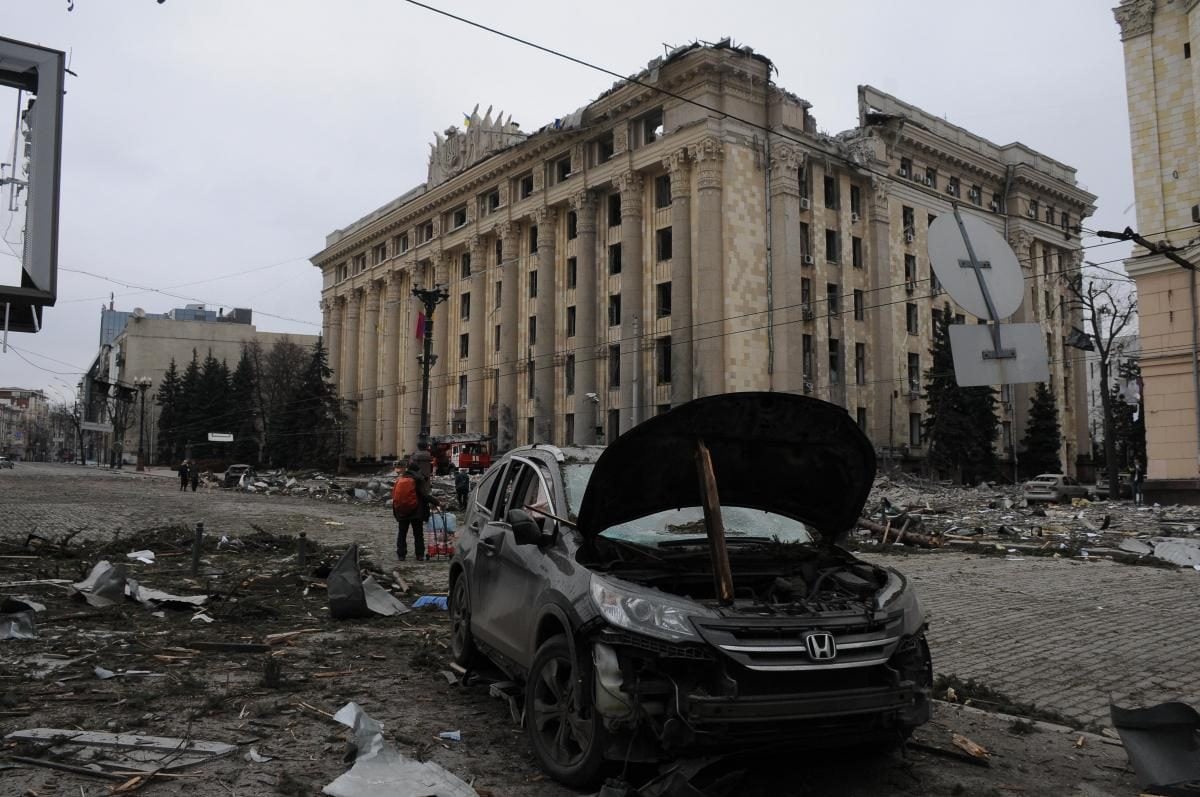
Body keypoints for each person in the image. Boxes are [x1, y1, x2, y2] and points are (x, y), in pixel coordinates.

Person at [393, 464, 439, 561]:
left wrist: (397, 512)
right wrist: (437, 502)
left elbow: (395, 497)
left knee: (402, 533)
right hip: (416, 511)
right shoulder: (417, 479)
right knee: (418, 534)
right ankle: (419, 555)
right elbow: (424, 495)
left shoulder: (401, 479)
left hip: (402, 511)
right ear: (417, 470)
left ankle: (401, 555)